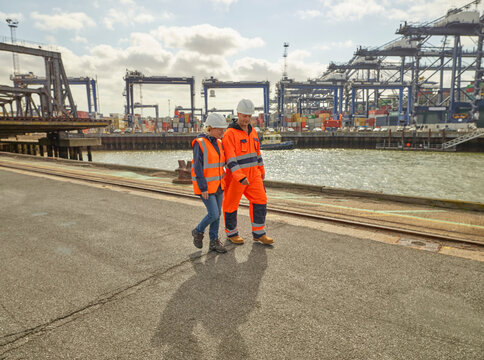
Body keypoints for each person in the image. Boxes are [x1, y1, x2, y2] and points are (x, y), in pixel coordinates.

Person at [222, 99, 273, 245]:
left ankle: (259, 233)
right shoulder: (229, 134)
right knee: (231, 204)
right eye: (244, 116)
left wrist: (261, 171)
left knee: (261, 200)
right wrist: (239, 176)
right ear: (238, 114)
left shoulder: (253, 132)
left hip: (254, 175)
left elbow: (258, 154)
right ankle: (231, 233)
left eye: (249, 116)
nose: (247, 119)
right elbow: (230, 159)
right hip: (236, 177)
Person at [191, 113, 228, 253]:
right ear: (210, 128)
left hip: (218, 185)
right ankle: (198, 231)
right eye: (219, 129)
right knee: (213, 214)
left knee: (217, 215)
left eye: (223, 129)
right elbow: (197, 168)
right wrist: (203, 188)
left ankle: (214, 242)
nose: (222, 132)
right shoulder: (199, 143)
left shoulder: (219, 143)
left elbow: (220, 164)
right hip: (206, 187)